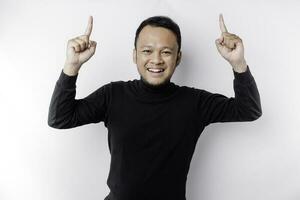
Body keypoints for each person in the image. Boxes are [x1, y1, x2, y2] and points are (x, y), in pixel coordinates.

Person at [48, 14, 262, 200]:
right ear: (135, 55)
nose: (156, 60)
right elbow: (60, 118)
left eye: (166, 52)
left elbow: (249, 110)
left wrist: (238, 64)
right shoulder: (113, 95)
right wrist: (71, 66)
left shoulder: (195, 102)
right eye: (147, 51)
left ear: (178, 58)